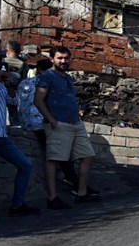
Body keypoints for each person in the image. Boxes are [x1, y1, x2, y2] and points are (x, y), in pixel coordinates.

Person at [20, 58, 95, 198]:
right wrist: (52, 121)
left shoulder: (25, 82)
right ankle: (71, 187)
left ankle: (79, 188)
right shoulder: (45, 81)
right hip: (44, 123)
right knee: (59, 157)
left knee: (75, 154)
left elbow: (18, 103)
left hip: (32, 123)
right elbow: (37, 102)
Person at [0, 50, 37, 217]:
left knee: (25, 165)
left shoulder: (1, 84)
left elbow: (14, 101)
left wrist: (9, 84)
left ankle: (17, 205)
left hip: (1, 135)